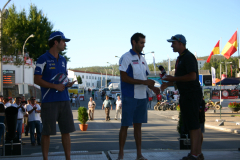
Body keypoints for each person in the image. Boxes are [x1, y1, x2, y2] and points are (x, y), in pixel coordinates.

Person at [34, 31, 76, 160]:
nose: (65, 44)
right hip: (49, 101)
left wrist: (66, 84)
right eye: (63, 41)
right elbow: (36, 80)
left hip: (64, 99)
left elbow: (61, 78)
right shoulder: (42, 59)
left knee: (66, 131)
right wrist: (54, 86)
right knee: (47, 132)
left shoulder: (63, 60)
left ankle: (68, 158)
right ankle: (45, 158)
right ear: (55, 42)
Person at [117, 33, 159, 160]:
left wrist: (152, 87)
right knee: (125, 125)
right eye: (141, 43)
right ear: (134, 42)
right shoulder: (126, 57)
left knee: (138, 126)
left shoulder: (142, 59)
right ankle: (120, 154)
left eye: (144, 43)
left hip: (142, 97)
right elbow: (124, 78)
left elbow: (145, 78)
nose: (143, 46)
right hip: (129, 96)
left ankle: (139, 155)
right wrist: (144, 82)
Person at [161, 34, 203, 160]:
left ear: (180, 43)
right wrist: (168, 83)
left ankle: (194, 154)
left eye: (173, 43)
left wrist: (172, 78)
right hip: (187, 94)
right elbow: (180, 80)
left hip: (191, 95)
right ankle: (198, 154)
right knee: (193, 125)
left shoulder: (188, 57)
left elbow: (192, 77)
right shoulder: (181, 58)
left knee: (193, 126)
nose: (171, 45)